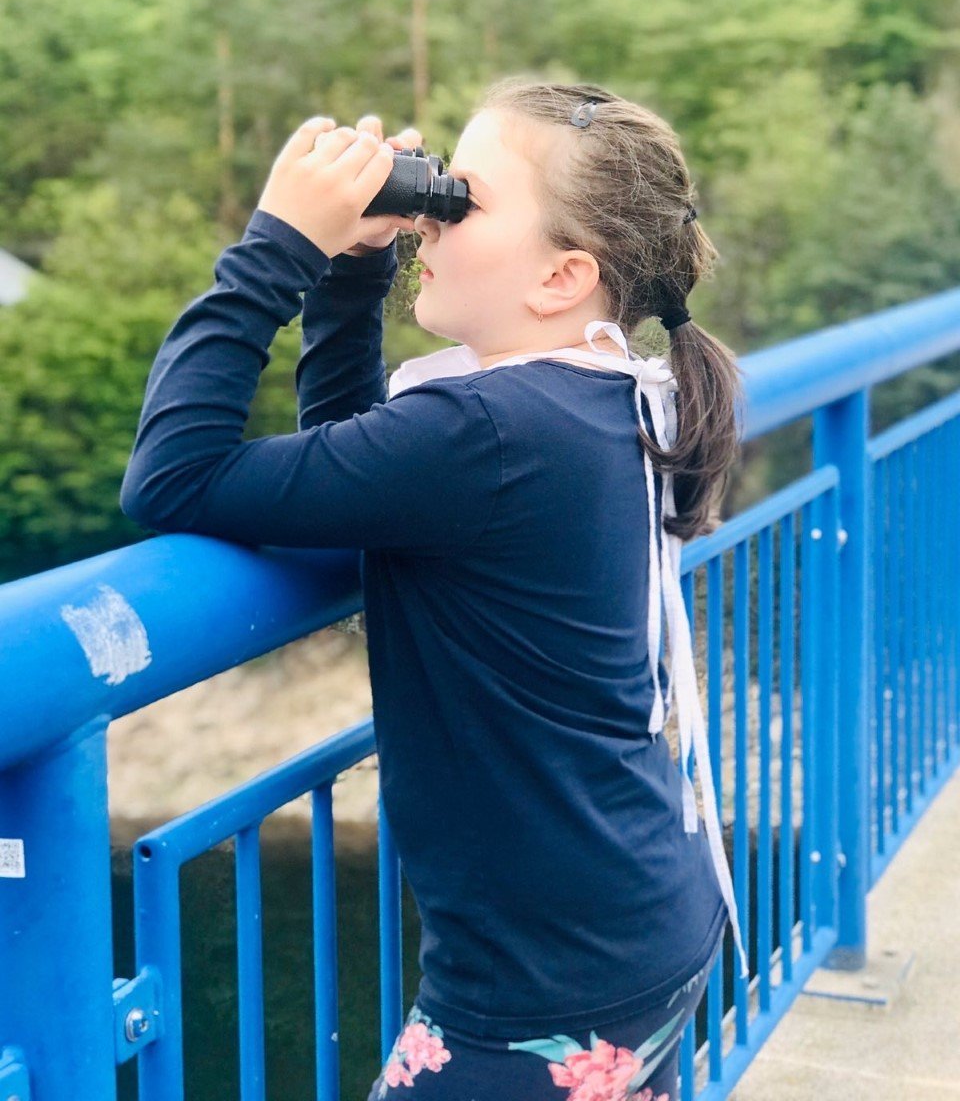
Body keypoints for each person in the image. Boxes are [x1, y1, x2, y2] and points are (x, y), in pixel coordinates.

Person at [120, 77, 748, 1101]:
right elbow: (359, 476)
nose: (429, 219)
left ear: (562, 276)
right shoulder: (596, 396)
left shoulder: (485, 432)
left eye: (463, 201)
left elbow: (174, 475)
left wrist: (278, 244)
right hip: (643, 914)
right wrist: (351, 272)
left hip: (546, 984)